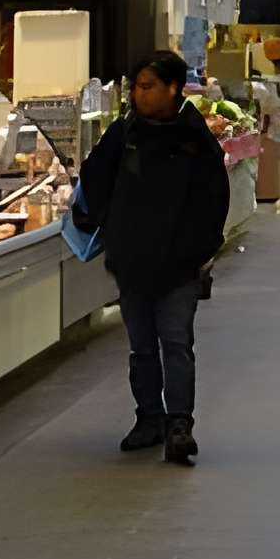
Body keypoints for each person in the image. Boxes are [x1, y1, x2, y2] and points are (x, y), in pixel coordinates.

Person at [73, 52, 230, 467]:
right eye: (135, 87)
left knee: (176, 343)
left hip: (179, 263)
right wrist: (112, 225)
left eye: (147, 86)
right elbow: (93, 176)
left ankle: (180, 424)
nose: (138, 95)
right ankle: (149, 418)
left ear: (173, 88)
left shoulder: (195, 139)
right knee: (141, 347)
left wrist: (200, 251)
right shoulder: (125, 131)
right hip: (133, 259)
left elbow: (215, 200)